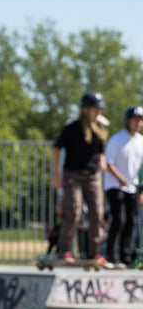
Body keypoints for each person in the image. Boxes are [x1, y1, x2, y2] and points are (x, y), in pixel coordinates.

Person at [52, 91, 109, 265]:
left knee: (97, 213)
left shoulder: (99, 129)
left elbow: (100, 152)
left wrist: (102, 159)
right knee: (74, 211)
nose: (98, 112)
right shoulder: (72, 128)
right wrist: (56, 175)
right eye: (95, 109)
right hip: (72, 175)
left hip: (92, 176)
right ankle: (65, 250)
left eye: (100, 109)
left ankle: (95, 253)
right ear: (85, 109)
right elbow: (56, 149)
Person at [103, 105, 143, 268]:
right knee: (119, 219)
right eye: (135, 120)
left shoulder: (140, 141)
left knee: (131, 221)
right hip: (114, 185)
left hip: (132, 187)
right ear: (128, 122)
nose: (138, 124)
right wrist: (121, 179)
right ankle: (113, 256)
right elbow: (108, 163)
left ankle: (126, 257)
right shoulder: (117, 140)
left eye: (141, 121)